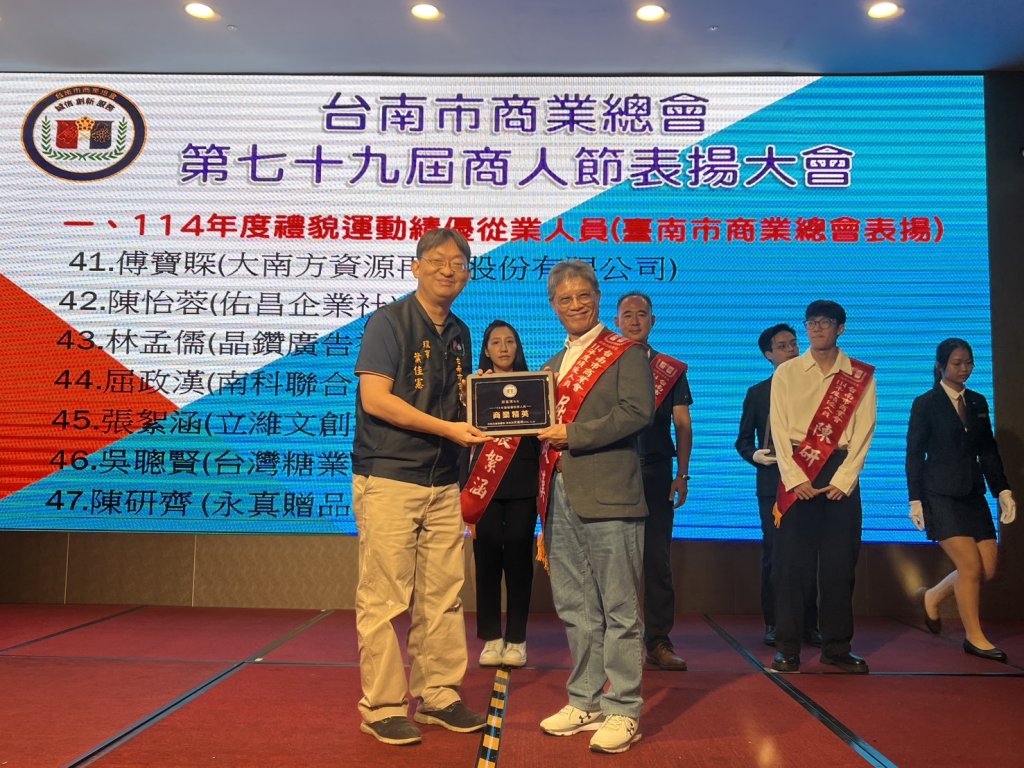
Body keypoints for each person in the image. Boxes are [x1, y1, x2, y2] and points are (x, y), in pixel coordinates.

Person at [351, 228, 489, 745]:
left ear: (468, 275)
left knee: (443, 594)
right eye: (437, 260)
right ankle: (383, 706)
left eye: (459, 263)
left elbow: (455, 402)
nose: (448, 270)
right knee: (385, 598)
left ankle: (439, 695)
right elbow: (376, 400)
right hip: (390, 476)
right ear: (415, 267)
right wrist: (449, 429)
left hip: (444, 480)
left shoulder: (460, 332)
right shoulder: (389, 321)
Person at [535, 261, 654, 754]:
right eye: (565, 299)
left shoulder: (626, 353)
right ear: (553, 306)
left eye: (583, 295)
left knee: (620, 607)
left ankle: (623, 707)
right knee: (576, 606)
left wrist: (574, 434)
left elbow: (637, 412)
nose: (576, 305)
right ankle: (584, 700)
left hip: (611, 494)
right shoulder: (549, 366)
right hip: (560, 494)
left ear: (598, 296)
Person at [768, 300, 876, 675]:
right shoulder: (787, 372)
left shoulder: (859, 375)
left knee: (839, 566)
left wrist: (844, 480)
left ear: (840, 328)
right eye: (811, 323)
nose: (816, 329)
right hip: (799, 466)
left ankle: (837, 647)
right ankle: (787, 648)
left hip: (840, 473)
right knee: (791, 567)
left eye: (824, 322)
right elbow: (779, 429)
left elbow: (864, 431)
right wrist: (795, 478)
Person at [907, 338, 1017, 662]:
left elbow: (988, 451)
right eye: (957, 363)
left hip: (972, 493)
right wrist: (915, 500)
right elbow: (914, 455)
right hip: (939, 494)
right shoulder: (926, 403)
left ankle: (932, 597)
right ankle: (975, 638)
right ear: (941, 366)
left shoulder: (978, 401)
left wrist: (1003, 491)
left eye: (968, 362)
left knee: (987, 569)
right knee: (969, 567)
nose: (964, 369)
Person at [613, 292, 691, 671]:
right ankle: (618, 643)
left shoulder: (669, 369)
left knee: (657, 561)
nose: (634, 321)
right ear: (616, 321)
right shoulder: (604, 365)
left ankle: (658, 640)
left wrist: (682, 474)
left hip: (657, 473)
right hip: (614, 472)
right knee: (615, 562)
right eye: (627, 315)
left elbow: (683, 423)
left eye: (641, 314)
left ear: (653, 321)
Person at [735, 324, 820, 648]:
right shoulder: (759, 393)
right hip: (774, 485)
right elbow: (743, 441)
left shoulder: (817, 387)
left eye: (794, 343)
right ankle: (775, 622)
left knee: (810, 555)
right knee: (777, 556)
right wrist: (755, 455)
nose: (791, 350)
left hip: (812, 481)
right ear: (768, 355)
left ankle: (810, 624)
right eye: (782, 346)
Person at [463, 320, 540, 668]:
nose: (504, 348)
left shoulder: (534, 385)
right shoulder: (475, 386)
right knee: (487, 560)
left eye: (510, 341)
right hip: (486, 485)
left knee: (520, 560)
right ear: (486, 349)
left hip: (523, 481)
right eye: (496, 342)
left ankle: (518, 638)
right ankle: (492, 638)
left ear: (518, 347)